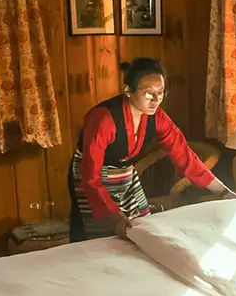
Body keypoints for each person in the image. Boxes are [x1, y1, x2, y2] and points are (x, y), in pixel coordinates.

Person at [68, 58, 227, 241]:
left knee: (141, 226)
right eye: (148, 93)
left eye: (160, 93)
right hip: (92, 176)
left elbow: (183, 154)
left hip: (126, 173)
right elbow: (91, 177)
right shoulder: (104, 119)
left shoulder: (157, 116)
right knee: (102, 235)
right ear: (128, 91)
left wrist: (222, 190)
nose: (156, 100)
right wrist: (114, 216)